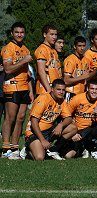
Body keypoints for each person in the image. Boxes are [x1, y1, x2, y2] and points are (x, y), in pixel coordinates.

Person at [1, 22, 34, 159]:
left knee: (21, 118)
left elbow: (27, 73)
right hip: (12, 86)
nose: (20, 35)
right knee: (10, 118)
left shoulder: (25, 49)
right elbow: (8, 69)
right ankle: (5, 148)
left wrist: (31, 90)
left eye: (22, 32)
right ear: (11, 33)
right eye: (17, 32)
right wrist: (24, 60)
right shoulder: (8, 48)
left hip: (24, 87)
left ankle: (14, 148)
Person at [24, 79, 77, 160]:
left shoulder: (62, 101)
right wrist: (42, 140)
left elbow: (69, 118)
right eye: (58, 89)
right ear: (52, 89)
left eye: (63, 90)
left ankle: (54, 150)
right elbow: (34, 122)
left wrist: (60, 125)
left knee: (73, 128)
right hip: (34, 132)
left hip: (48, 131)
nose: (61, 92)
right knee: (39, 157)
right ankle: (27, 150)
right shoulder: (43, 99)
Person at [66, 79, 97, 159]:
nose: (94, 91)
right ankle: (83, 148)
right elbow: (66, 116)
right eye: (92, 89)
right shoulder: (77, 98)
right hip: (79, 132)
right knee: (68, 155)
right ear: (87, 89)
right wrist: (73, 132)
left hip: (93, 130)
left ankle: (96, 151)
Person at [35, 24, 61, 95]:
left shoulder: (54, 51)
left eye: (55, 34)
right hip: (44, 90)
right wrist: (49, 89)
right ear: (44, 35)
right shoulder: (42, 49)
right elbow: (41, 71)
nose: (54, 37)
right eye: (52, 34)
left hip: (54, 89)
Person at [63, 36, 91, 102]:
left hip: (82, 94)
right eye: (79, 46)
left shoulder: (86, 60)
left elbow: (87, 78)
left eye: (84, 46)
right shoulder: (70, 60)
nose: (82, 48)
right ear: (75, 47)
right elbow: (66, 80)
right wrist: (82, 77)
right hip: (71, 93)